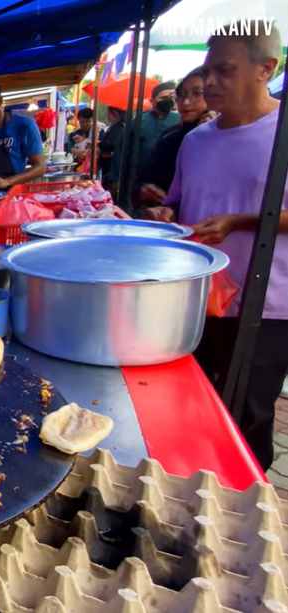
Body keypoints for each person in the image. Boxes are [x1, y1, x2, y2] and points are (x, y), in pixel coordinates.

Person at [143, 24, 286, 472]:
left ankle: (245, 503)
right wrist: (165, 214)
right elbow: (179, 202)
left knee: (249, 415)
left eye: (224, 71)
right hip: (197, 299)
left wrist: (241, 222)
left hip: (267, 304)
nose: (209, 84)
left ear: (267, 69)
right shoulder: (195, 141)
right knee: (191, 404)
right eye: (208, 71)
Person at [133, 68, 216, 209]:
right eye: (181, 94)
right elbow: (141, 184)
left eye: (197, 93)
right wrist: (144, 190)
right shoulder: (170, 138)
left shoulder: (230, 138)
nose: (186, 102)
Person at [114, 81, 180, 181]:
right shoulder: (138, 121)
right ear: (152, 100)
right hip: (139, 180)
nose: (168, 101)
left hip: (171, 179)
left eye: (171, 98)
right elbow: (121, 149)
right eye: (163, 98)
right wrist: (115, 178)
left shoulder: (179, 120)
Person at [99, 106, 126, 195]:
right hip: (107, 161)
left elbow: (113, 145)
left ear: (116, 114)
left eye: (109, 113)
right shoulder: (114, 126)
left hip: (111, 162)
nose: (107, 116)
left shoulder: (119, 127)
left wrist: (100, 144)